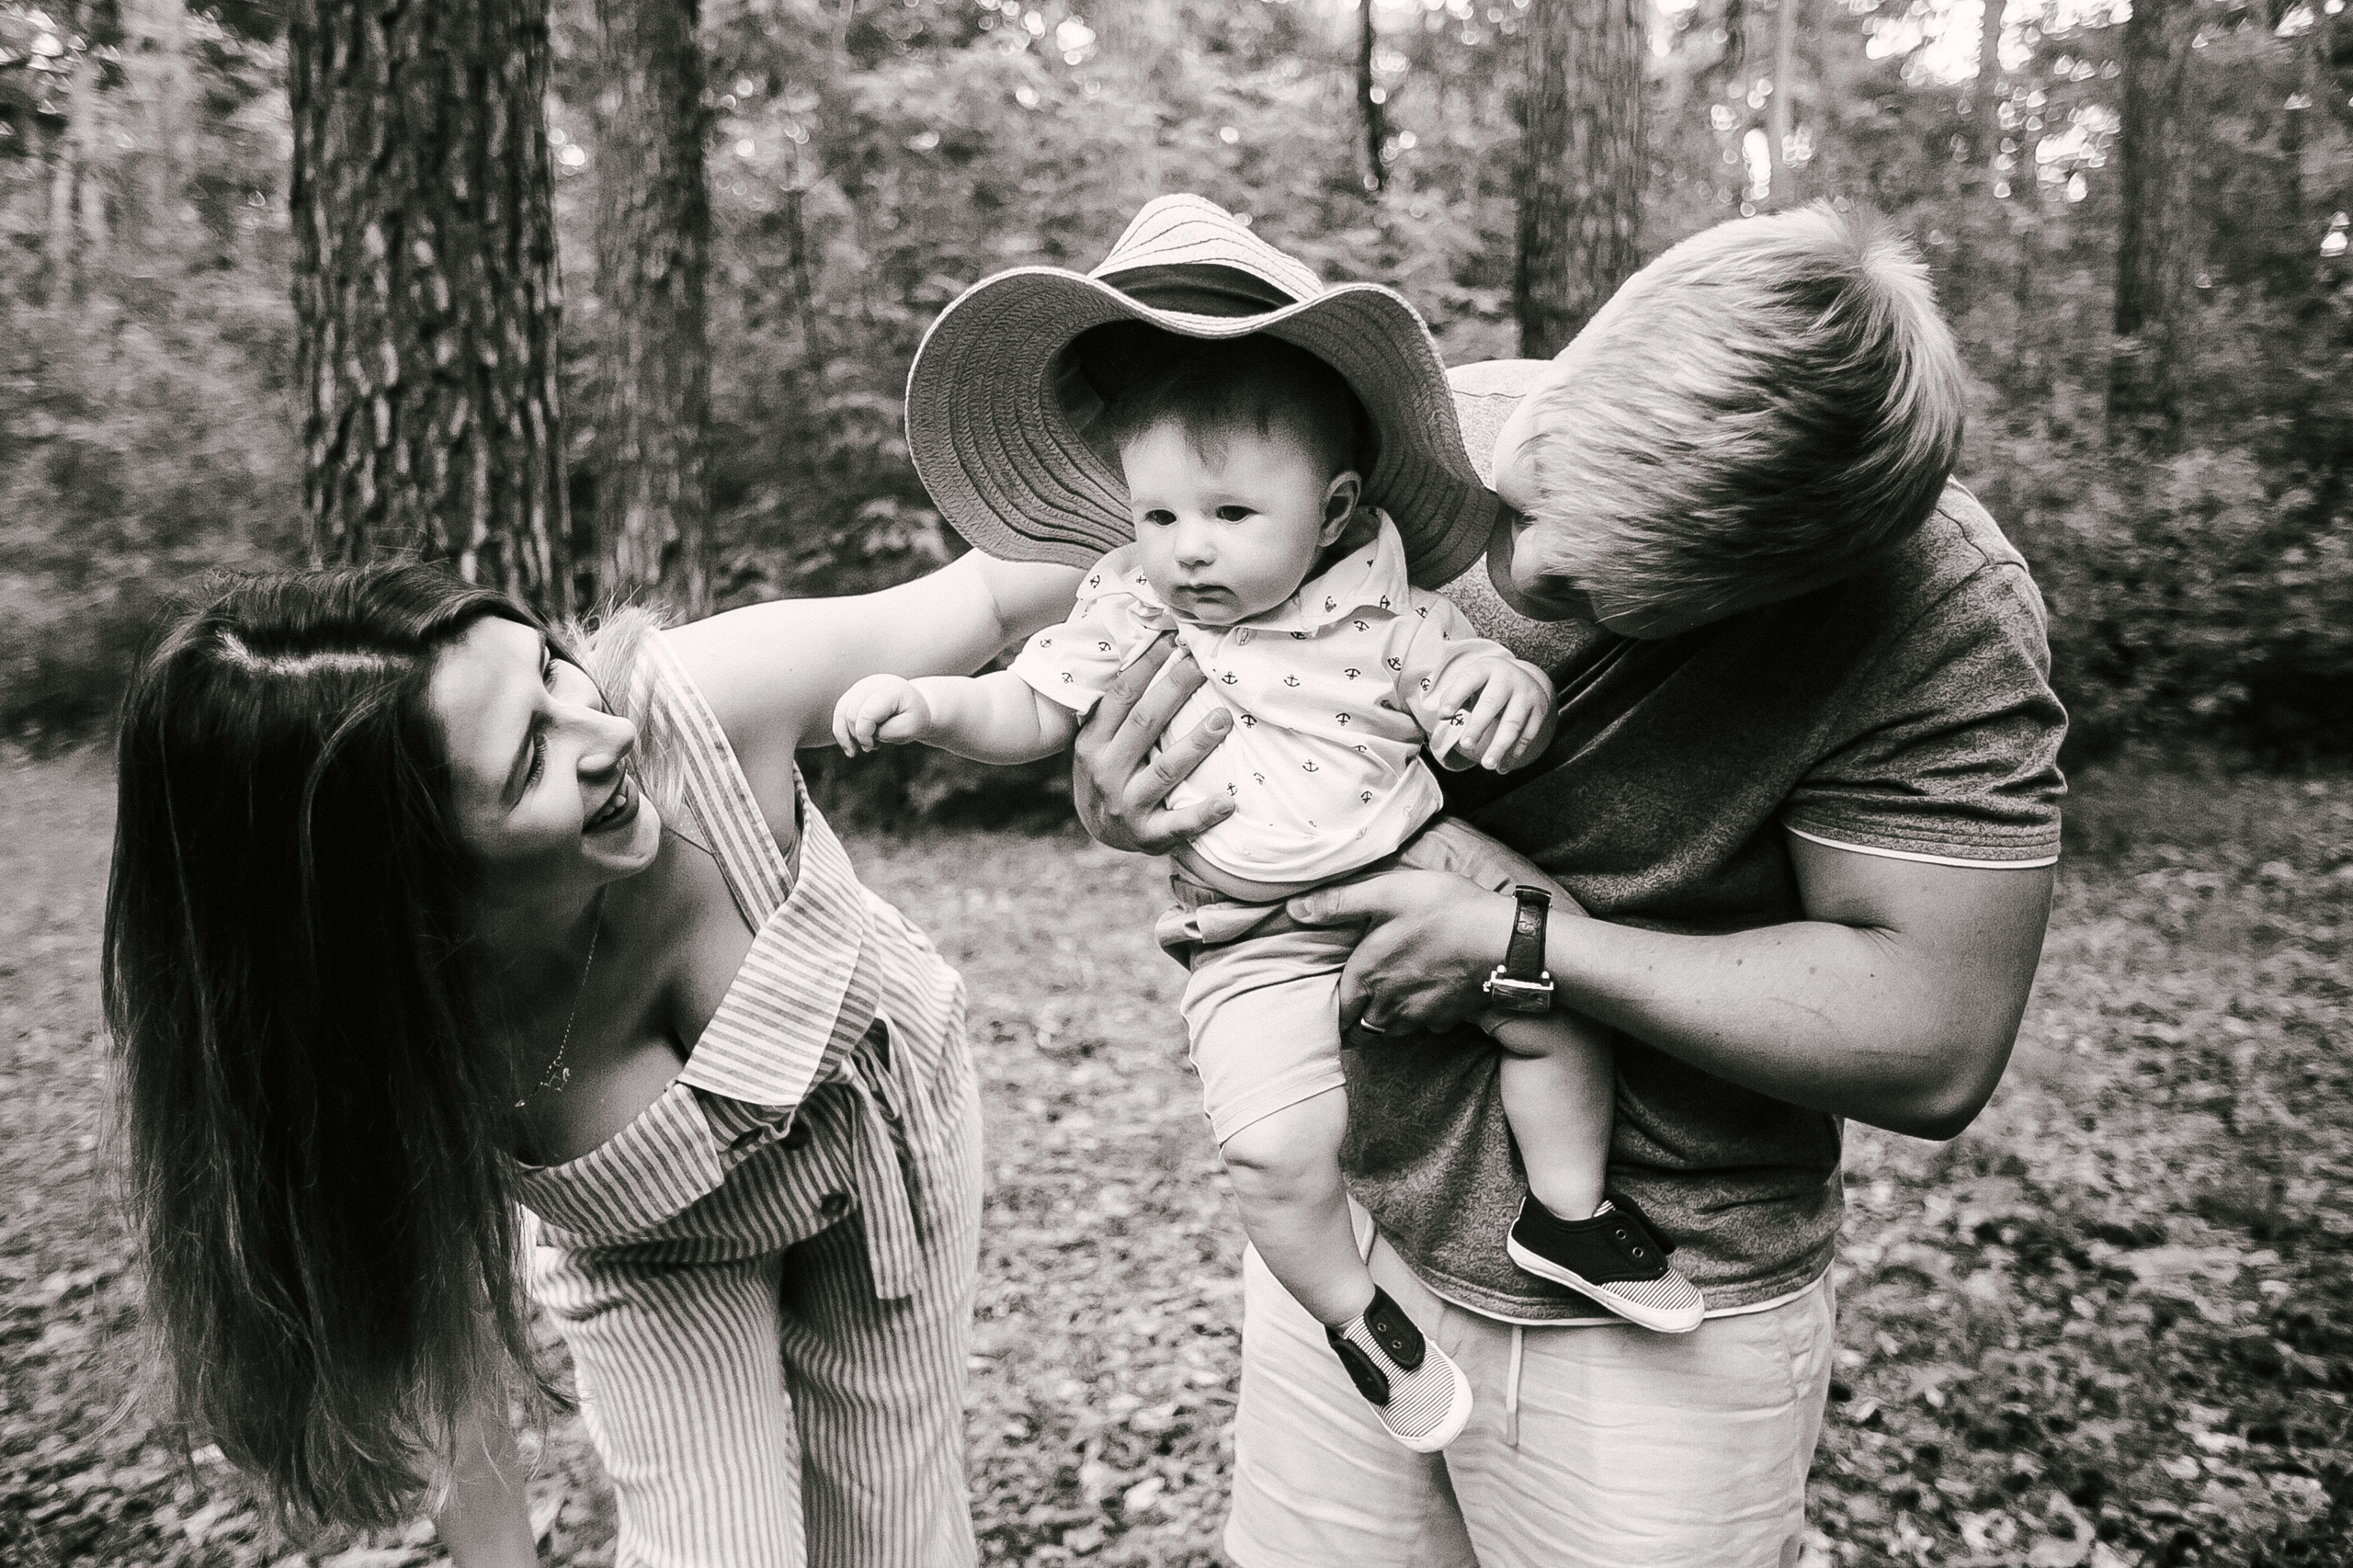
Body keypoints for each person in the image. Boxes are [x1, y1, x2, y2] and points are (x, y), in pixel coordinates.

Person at [926, 199, 2066, 1565]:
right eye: (1519, 507)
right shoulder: (1407, 443)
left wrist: (1521, 943)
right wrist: (1125, 792)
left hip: (1664, 1306)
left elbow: (1932, 1040)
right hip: (1355, 1212)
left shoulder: (1936, 608)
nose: (1507, 572)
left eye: (1590, 592)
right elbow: (1082, 626)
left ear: (1768, 581)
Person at [103, 551, 1082, 1568]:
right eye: (529, 757)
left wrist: (1228, 554)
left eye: (553, 668)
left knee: (890, 1535)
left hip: (883, 1142)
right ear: (394, 883)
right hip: (645, 1252)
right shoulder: (377, 1043)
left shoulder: (688, 705)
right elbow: (447, 1363)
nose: (606, 731)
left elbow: (992, 591)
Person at [836, 312, 1705, 1447]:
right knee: (1266, 1148)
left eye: (1230, 514)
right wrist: (930, 706)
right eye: (1157, 516)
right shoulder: (1129, 607)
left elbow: (1468, 690)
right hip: (1249, 925)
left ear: (1332, 511)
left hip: (1418, 854)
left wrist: (1506, 696)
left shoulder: (1383, 606)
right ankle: (1355, 1316)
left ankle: (1567, 1211)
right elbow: (1030, 705)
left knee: (1555, 963)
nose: (1187, 548)